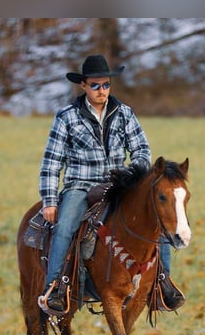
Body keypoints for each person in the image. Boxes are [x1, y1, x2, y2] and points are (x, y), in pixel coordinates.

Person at [37, 54, 185, 316]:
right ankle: (56, 288)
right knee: (65, 226)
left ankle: (162, 285)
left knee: (157, 223)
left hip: (118, 184)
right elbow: (52, 162)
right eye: (95, 86)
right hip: (80, 185)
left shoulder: (124, 113)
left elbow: (141, 150)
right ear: (83, 85)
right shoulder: (66, 117)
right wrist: (49, 201)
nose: (101, 91)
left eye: (106, 85)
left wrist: (131, 175)